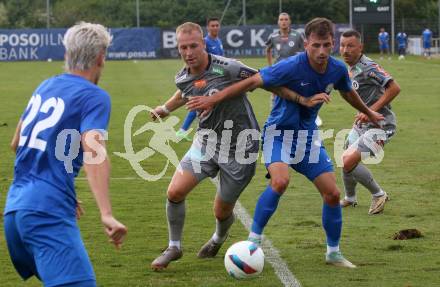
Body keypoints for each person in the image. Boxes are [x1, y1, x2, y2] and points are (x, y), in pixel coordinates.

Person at [188, 17, 385, 268]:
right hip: (278, 133)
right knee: (280, 181)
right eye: (316, 45)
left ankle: (333, 253)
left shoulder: (336, 69)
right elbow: (252, 81)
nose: (322, 51)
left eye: (326, 45)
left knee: (333, 193)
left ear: (332, 43)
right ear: (306, 44)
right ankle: (253, 243)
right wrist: (212, 100)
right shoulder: (291, 66)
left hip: (307, 138)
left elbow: (347, 92)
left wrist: (369, 113)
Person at [149, 22, 325, 271]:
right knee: (174, 192)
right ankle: (174, 246)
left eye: (193, 46)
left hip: (240, 147)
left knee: (221, 210)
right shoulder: (182, 75)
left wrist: (299, 98)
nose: (188, 52)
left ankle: (218, 238)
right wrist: (164, 109)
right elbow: (183, 91)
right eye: (183, 47)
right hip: (206, 142)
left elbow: (265, 79)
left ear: (203, 44)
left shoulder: (228, 67)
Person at [4, 22, 127, 286]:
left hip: (15, 211)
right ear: (100, 57)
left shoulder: (46, 86)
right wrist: (106, 213)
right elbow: (94, 151)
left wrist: (60, 187)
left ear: (67, 54)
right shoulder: (94, 96)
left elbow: (17, 142)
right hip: (45, 213)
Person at [339, 29, 401, 214]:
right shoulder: (349, 68)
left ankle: (378, 194)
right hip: (362, 125)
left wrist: (370, 111)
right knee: (344, 157)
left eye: (350, 46)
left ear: (360, 47)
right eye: (342, 45)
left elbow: (394, 88)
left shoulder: (368, 67)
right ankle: (350, 197)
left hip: (381, 125)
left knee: (348, 161)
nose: (345, 50)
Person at [176, 17, 225, 141]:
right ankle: (183, 130)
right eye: (212, 26)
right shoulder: (205, 42)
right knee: (199, 103)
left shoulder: (218, 41)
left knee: (205, 104)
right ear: (208, 28)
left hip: (217, 78)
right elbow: (195, 61)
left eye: (217, 25)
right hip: (205, 79)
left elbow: (220, 61)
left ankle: (186, 130)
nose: (215, 28)